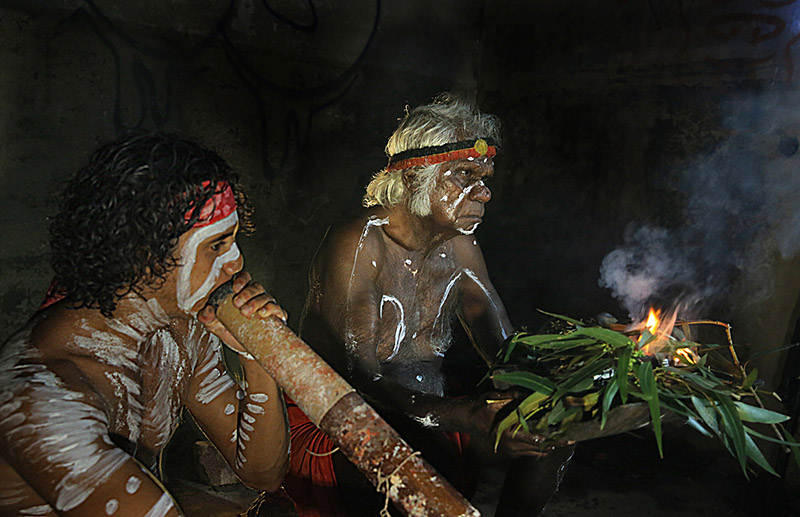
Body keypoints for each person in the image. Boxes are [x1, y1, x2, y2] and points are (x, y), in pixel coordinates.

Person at [281, 94, 574, 516]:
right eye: (465, 175)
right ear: (416, 177)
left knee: (554, 433)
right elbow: (358, 379)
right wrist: (465, 415)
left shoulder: (460, 247)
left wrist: (570, 376)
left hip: (434, 416)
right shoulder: (359, 245)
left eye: (485, 177)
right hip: (342, 421)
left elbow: (505, 350)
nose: (484, 193)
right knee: (422, 454)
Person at [0, 133, 290, 516]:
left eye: (233, 241)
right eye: (217, 245)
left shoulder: (183, 332)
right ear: (144, 254)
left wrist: (257, 355)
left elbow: (263, 475)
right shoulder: (40, 395)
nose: (236, 262)